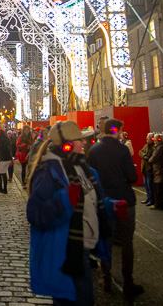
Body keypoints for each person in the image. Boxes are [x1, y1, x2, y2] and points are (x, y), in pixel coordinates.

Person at [26, 120, 114, 305]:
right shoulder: (48, 172)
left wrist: (110, 205)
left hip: (84, 248)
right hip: (65, 251)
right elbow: (36, 214)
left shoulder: (85, 169)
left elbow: (91, 201)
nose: (84, 143)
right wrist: (65, 200)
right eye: (79, 140)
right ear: (67, 144)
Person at [87, 117, 144, 298]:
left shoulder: (94, 150)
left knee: (106, 239)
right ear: (116, 131)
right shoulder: (122, 150)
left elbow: (91, 177)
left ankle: (106, 278)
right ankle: (128, 282)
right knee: (127, 242)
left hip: (104, 201)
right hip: (124, 200)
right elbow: (132, 176)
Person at [149, 133, 163, 210]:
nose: (154, 140)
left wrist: (149, 160)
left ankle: (158, 205)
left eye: (155, 139)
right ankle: (158, 204)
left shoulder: (159, 147)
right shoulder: (159, 147)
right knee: (158, 188)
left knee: (158, 189)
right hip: (158, 169)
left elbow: (153, 158)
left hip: (159, 169)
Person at [0, 130, 13, 194]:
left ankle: (0, 189)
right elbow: (9, 149)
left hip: (3, 159)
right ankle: (5, 189)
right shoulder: (7, 139)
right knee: (3, 173)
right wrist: (11, 159)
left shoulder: (1, 140)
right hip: (7, 159)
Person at [139, 133, 155, 206]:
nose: (146, 140)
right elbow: (140, 152)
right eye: (146, 138)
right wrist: (144, 156)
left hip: (149, 169)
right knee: (146, 185)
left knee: (150, 186)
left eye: (148, 138)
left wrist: (145, 156)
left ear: (152, 139)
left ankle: (151, 200)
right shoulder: (146, 145)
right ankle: (148, 198)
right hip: (144, 168)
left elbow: (151, 157)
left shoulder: (154, 147)